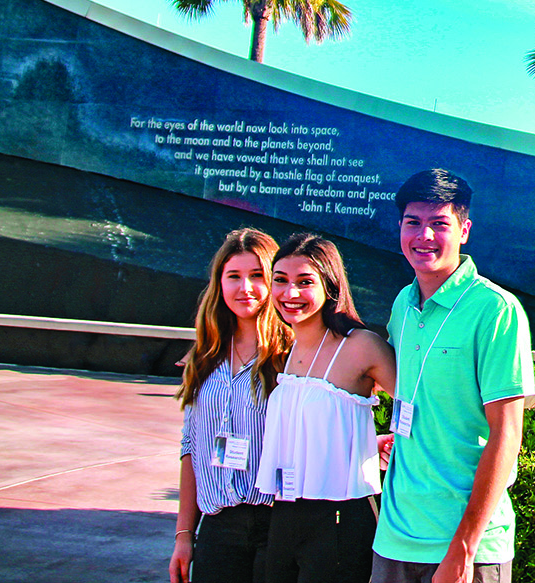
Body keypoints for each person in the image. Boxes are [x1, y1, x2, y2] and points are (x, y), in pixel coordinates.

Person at [372, 169, 535, 583]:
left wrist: (464, 548)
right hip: (393, 538)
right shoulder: (402, 305)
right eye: (413, 222)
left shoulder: (496, 310)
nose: (423, 235)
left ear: (464, 230)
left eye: (439, 223)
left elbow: (507, 435)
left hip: (467, 550)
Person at [252, 232, 397, 583]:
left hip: (341, 518)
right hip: (285, 513)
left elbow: (428, 404)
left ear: (329, 285)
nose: (291, 294)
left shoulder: (362, 346)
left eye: (305, 282)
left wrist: (514, 402)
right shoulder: (287, 349)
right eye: (281, 281)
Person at [170, 228, 293, 583]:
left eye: (258, 275)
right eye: (234, 276)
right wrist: (183, 537)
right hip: (218, 528)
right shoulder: (204, 358)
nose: (246, 288)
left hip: (279, 526)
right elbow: (190, 449)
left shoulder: (294, 356)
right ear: (219, 283)